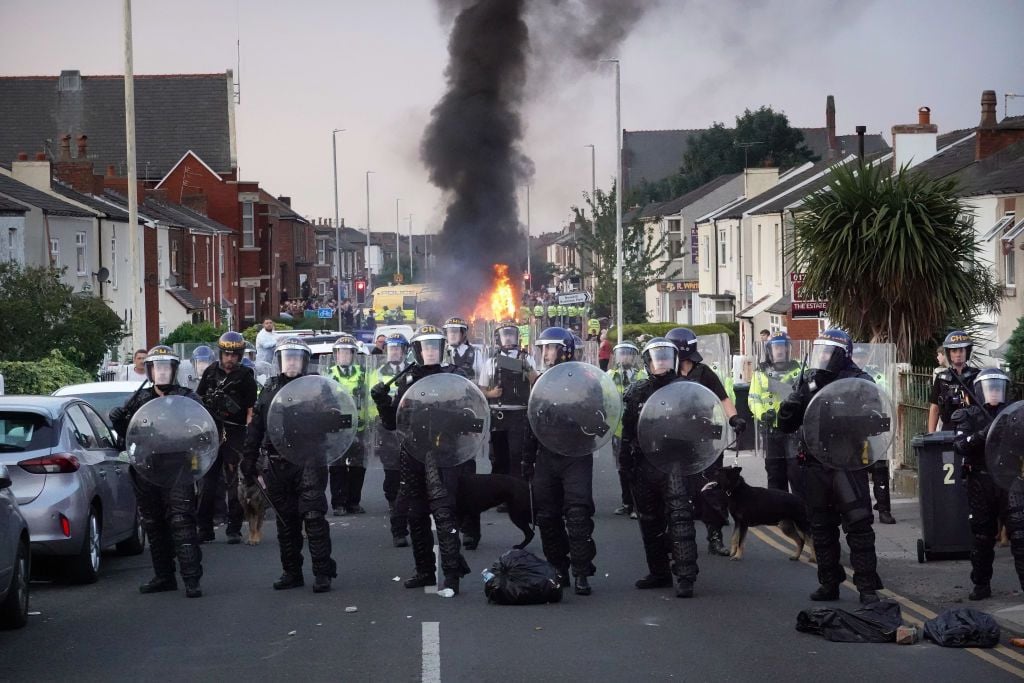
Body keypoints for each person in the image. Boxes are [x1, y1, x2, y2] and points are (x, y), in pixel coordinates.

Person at [778, 329, 883, 604]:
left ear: (841, 354)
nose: (822, 357)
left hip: (847, 464)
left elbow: (876, 419)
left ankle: (867, 588)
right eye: (819, 351)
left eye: (828, 352)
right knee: (821, 528)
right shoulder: (808, 381)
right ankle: (829, 583)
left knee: (859, 527)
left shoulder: (859, 381)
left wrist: (847, 417)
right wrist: (789, 407)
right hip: (814, 463)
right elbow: (787, 425)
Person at [371, 325, 472, 594]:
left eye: (434, 346)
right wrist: (382, 401)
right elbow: (392, 423)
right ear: (417, 350)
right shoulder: (407, 379)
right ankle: (425, 571)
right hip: (413, 452)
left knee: (444, 514)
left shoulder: (454, 375)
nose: (430, 351)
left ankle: (451, 576)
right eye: (425, 347)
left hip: (445, 453)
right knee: (415, 515)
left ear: (441, 348)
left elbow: (468, 414)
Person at [240, 337, 338, 593]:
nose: (292, 361)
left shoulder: (318, 388)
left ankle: (322, 572)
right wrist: (248, 457)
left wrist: (327, 415)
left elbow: (335, 417)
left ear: (304, 362)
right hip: (277, 462)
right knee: (286, 521)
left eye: (296, 357)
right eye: (287, 357)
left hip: (309, 460)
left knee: (314, 516)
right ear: (280, 361)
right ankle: (291, 571)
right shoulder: (270, 388)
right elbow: (256, 426)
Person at [109, 345, 205, 598]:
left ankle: (192, 578)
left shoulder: (188, 399)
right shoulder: (139, 400)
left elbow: (203, 429)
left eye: (166, 368)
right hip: (147, 468)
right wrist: (118, 420)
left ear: (174, 370)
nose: (162, 373)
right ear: (150, 371)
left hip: (178, 468)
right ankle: (164, 576)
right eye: (157, 368)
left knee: (182, 521)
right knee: (153, 523)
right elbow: (127, 437)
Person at [620, 338, 702, 597]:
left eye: (666, 357)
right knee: (649, 520)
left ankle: (686, 576)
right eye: (657, 358)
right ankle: (659, 572)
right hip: (645, 461)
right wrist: (625, 462)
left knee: (680, 517)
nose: (662, 362)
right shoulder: (637, 392)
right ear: (647, 362)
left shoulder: (687, 389)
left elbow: (701, 423)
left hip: (674, 461)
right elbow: (628, 430)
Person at [521, 327, 597, 596]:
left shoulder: (586, 379)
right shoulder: (541, 381)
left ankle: (581, 572)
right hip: (547, 455)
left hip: (575, 454)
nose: (546, 353)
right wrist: (527, 458)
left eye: (551, 348)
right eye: (543, 348)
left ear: (564, 350)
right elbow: (532, 420)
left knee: (577, 514)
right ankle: (558, 568)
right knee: (547, 516)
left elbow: (597, 415)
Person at [665, 327, 746, 558]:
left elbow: (723, 398)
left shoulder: (704, 373)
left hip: (703, 438)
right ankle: (674, 538)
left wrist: (734, 418)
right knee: (676, 490)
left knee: (711, 489)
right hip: (675, 440)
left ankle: (715, 537)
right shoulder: (667, 375)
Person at [952, 367, 1022, 600]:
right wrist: (984, 433)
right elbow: (960, 446)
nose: (994, 392)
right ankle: (981, 584)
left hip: (1009, 478)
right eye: (989, 387)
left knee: (1020, 533)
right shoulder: (968, 415)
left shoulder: (1013, 413)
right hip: (980, 479)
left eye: (998, 387)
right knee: (982, 536)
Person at [195, 331, 259, 544]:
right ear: (220, 354)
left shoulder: (246, 377)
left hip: (235, 431)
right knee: (207, 482)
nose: (229, 359)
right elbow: (198, 399)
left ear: (240, 356)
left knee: (235, 482)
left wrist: (249, 435)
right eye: (226, 354)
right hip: (211, 430)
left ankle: (234, 528)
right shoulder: (210, 372)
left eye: (234, 355)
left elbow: (251, 409)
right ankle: (204, 528)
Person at [442, 316, 484, 549]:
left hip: (467, 415)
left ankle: (471, 530)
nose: (452, 336)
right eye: (449, 332)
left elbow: (481, 382)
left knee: (468, 477)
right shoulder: (440, 352)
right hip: (446, 419)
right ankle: (450, 528)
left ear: (464, 334)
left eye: (456, 332)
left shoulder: (475, 354)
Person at [749, 333, 804, 498]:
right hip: (771, 429)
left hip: (793, 430)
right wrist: (762, 414)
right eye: (776, 347)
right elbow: (753, 398)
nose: (780, 350)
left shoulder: (800, 370)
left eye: (783, 346)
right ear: (770, 350)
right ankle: (781, 514)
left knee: (797, 472)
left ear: (789, 349)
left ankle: (801, 510)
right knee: (774, 472)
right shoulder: (760, 372)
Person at [481, 320, 537, 480]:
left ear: (517, 337)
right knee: (498, 459)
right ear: (498, 339)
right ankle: (500, 497)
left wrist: (526, 367)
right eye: (505, 335)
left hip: (519, 416)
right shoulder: (490, 362)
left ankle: (519, 497)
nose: (508, 339)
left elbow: (536, 381)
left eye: (511, 335)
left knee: (517, 457)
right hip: (498, 416)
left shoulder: (528, 359)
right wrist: (492, 394)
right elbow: (481, 389)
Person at [372, 333, 412, 547]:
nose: (394, 352)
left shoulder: (411, 371)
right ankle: (391, 499)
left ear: (404, 351)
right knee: (391, 466)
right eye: (391, 348)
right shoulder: (380, 372)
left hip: (408, 425)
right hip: (387, 423)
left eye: (398, 348)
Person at [852, 345, 896, 524]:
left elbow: (886, 396)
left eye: (862, 357)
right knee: (859, 470)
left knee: (880, 469)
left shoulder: (877, 376)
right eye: (856, 357)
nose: (859, 360)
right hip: (855, 431)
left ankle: (884, 510)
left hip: (875, 427)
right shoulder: (846, 377)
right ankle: (863, 509)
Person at [327, 334, 368, 516]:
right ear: (336, 355)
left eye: (347, 353)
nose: (343, 356)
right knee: (337, 468)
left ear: (353, 355)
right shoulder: (328, 375)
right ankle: (339, 504)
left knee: (358, 467)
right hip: (337, 429)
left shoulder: (363, 374)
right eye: (340, 353)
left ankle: (354, 502)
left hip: (359, 428)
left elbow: (370, 400)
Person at [607, 342, 646, 517]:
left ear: (634, 357)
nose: (624, 357)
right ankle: (626, 502)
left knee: (637, 466)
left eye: (628, 354)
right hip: (618, 428)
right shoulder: (610, 376)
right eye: (621, 354)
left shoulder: (641, 376)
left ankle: (638, 504)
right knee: (622, 467)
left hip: (637, 428)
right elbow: (603, 398)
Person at [928, 330, 980, 433]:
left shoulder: (977, 376)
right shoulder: (942, 378)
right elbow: (935, 408)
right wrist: (931, 434)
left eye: (961, 350)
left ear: (967, 352)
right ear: (949, 353)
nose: (958, 354)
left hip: (972, 432)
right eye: (954, 351)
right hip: (948, 431)